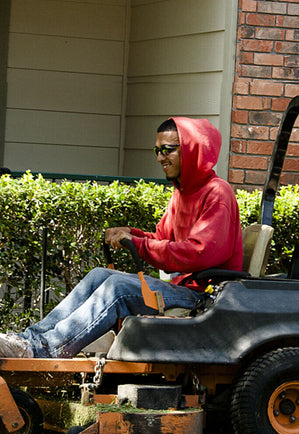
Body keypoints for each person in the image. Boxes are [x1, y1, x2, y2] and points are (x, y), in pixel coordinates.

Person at [0, 117, 243, 358]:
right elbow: (161, 238)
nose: (160, 158)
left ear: (191, 150)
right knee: (100, 275)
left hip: (204, 296)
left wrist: (138, 243)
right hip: (182, 288)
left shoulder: (217, 193)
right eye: (157, 151)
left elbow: (198, 252)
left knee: (119, 288)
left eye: (167, 150)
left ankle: (43, 349)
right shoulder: (182, 194)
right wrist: (130, 234)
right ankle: (30, 339)